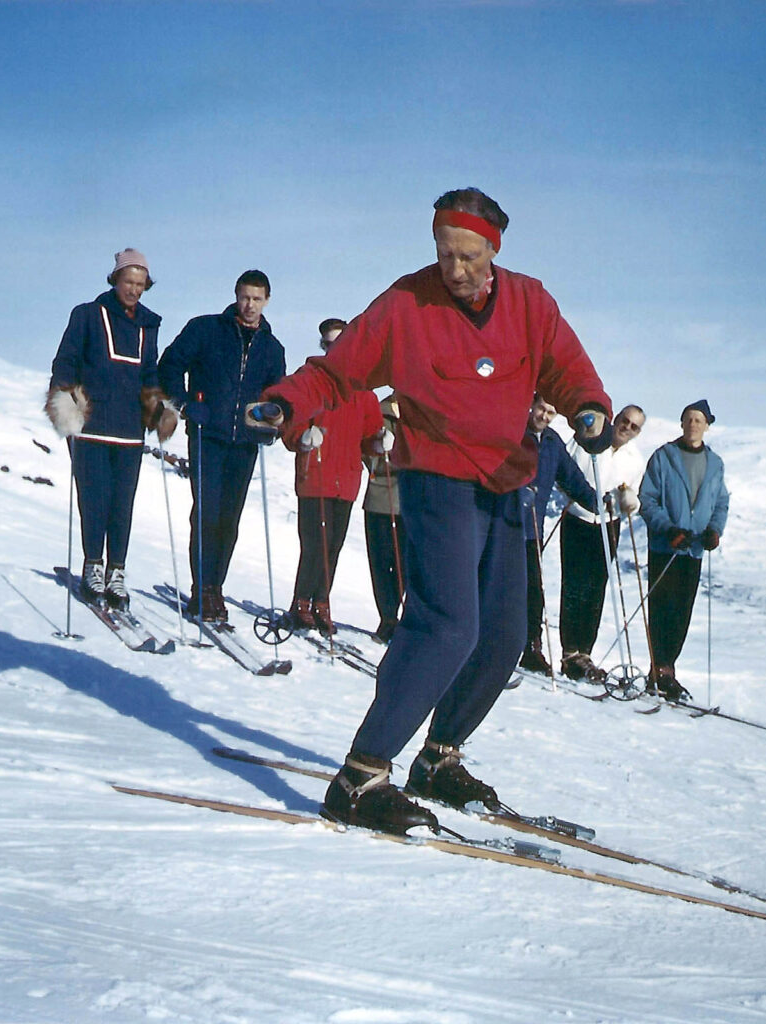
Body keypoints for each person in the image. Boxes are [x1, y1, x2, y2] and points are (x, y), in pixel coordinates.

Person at [262, 187, 613, 835]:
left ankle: (438, 758)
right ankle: (360, 778)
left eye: (469, 256)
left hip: (505, 485)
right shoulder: (406, 303)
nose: (455, 268)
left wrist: (589, 408)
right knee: (447, 626)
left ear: (494, 249)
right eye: (445, 253)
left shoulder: (530, 303)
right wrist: (287, 403)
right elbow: (338, 374)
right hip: (434, 481)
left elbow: (567, 370)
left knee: (504, 637)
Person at [46, 248, 177, 609]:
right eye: (127, 282)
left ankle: (116, 570)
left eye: (140, 284)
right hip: (91, 427)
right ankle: (93, 564)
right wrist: (66, 399)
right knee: (94, 498)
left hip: (129, 430)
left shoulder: (148, 325)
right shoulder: (88, 315)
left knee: (123, 503)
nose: (133, 290)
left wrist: (158, 407)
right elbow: (67, 360)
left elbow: (149, 371)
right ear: (115, 280)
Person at [158, 270, 286, 623]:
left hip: (244, 443)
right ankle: (202, 590)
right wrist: (183, 404)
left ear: (266, 301)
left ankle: (216, 588)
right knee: (207, 513)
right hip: (207, 435)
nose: (250, 305)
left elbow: (278, 395)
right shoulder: (206, 330)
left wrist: (270, 420)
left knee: (229, 519)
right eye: (245, 297)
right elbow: (169, 365)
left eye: (257, 299)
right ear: (235, 295)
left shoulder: (273, 349)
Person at [282, 318, 384, 637]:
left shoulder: (362, 388)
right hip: (316, 474)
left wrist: (379, 442)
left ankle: (322, 602)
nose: (334, 350)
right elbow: (290, 423)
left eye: (340, 344)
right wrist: (302, 436)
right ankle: (301, 602)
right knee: (314, 543)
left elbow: (369, 434)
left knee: (334, 545)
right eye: (328, 344)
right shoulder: (309, 379)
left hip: (347, 479)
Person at [639, 399, 729, 702]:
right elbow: (647, 499)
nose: (693, 425)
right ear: (681, 424)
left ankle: (667, 669)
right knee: (661, 609)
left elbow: (721, 502)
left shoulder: (715, 464)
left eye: (699, 420)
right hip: (666, 546)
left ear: (707, 426)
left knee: (682, 612)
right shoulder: (663, 457)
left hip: (693, 550)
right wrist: (667, 528)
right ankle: (659, 670)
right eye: (688, 419)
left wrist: (714, 531)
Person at [558, 405, 646, 680]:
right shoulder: (589, 439)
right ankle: (570, 653)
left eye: (634, 427)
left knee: (596, 587)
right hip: (579, 518)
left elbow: (633, 493)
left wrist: (628, 500)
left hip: (609, 524)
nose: (627, 428)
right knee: (574, 585)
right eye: (625, 421)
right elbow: (564, 472)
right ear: (615, 418)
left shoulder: (635, 459)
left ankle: (586, 651)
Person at [519, 394, 598, 674]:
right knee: (495, 588)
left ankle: (530, 647)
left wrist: (596, 500)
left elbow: (571, 477)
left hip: (532, 530)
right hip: (501, 525)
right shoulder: (513, 432)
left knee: (532, 591)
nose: (544, 416)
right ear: (531, 405)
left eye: (551, 413)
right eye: (542, 408)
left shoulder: (552, 442)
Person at [362, 393, 405, 643]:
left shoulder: (424, 410)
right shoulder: (380, 411)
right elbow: (365, 448)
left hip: (412, 498)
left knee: (406, 564)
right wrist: (377, 448)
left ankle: (400, 615)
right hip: (381, 495)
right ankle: (387, 617)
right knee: (381, 561)